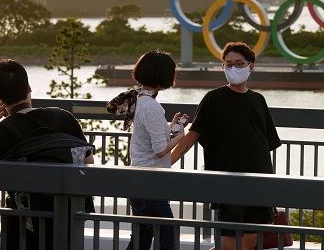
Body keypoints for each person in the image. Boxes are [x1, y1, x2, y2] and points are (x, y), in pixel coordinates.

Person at [0, 58, 94, 250]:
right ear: (29, 88)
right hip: (66, 219)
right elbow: (88, 160)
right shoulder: (63, 117)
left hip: (23, 225)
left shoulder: (3, 132)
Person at [171, 41, 282, 250]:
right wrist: (166, 162)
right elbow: (193, 135)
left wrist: (270, 184)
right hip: (228, 182)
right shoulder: (214, 98)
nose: (233, 68)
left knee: (250, 241)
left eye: (239, 63)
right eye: (228, 64)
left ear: (251, 66)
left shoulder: (259, 100)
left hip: (260, 182)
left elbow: (265, 144)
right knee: (227, 244)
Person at [116, 50, 188, 250]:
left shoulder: (140, 101)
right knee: (168, 235)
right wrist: (180, 138)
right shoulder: (152, 106)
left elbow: (152, 140)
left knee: (141, 240)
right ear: (164, 76)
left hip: (138, 181)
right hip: (150, 184)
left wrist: (169, 128)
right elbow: (160, 151)